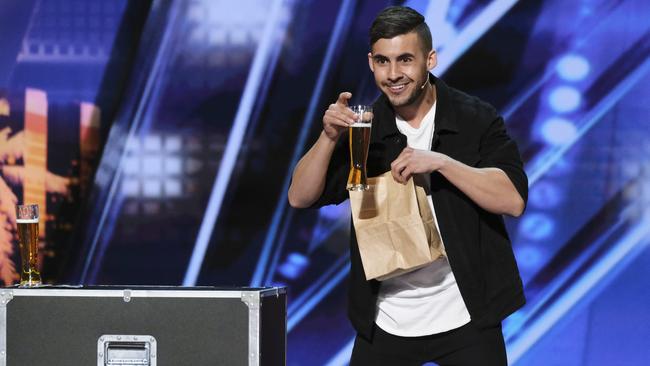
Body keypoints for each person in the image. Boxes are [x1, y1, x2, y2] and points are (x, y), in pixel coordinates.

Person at [288, 6, 527, 366]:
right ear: (371, 62)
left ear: (430, 59)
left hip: (466, 316)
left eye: (405, 60)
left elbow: (512, 200)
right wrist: (328, 137)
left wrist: (441, 163)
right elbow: (299, 197)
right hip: (387, 319)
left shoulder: (474, 117)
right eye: (383, 61)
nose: (394, 74)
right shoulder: (362, 129)